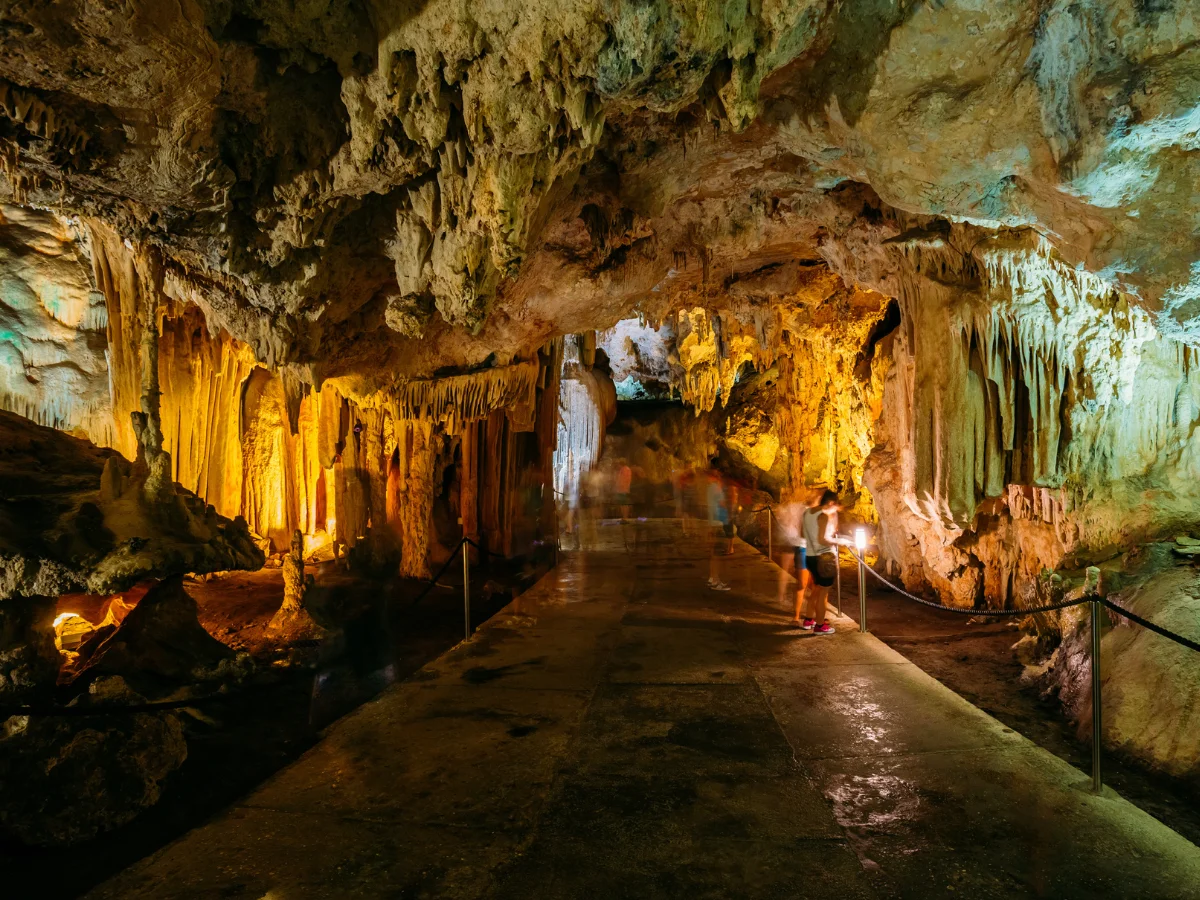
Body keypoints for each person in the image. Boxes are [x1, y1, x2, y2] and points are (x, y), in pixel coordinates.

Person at [800, 490, 851, 634]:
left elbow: (802, 534)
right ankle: (820, 626)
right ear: (830, 503)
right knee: (823, 593)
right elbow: (822, 539)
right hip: (823, 558)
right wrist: (840, 541)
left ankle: (809, 619)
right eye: (834, 507)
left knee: (816, 590)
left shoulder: (807, 513)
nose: (835, 511)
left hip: (809, 556)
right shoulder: (822, 516)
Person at [774, 499, 813, 626]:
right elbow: (802, 533)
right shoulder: (806, 512)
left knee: (815, 586)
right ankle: (796, 616)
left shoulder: (819, 513)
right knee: (802, 584)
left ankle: (811, 617)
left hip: (813, 551)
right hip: (803, 549)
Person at [706, 469, 734, 591]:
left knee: (713, 553)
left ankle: (712, 578)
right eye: (717, 475)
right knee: (717, 554)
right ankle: (716, 581)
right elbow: (722, 504)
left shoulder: (709, 488)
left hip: (712, 522)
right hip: (718, 522)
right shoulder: (716, 488)